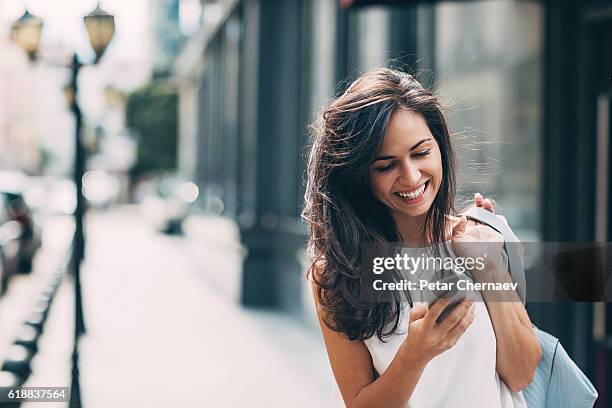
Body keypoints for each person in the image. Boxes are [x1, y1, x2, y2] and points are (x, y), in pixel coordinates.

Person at [302, 67, 541, 408]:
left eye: (421, 153)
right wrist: (415, 353)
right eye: (386, 166)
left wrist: (488, 267)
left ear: (439, 146)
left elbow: (521, 373)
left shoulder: (479, 236)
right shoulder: (337, 272)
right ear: (359, 177)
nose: (411, 177)